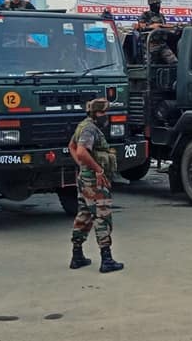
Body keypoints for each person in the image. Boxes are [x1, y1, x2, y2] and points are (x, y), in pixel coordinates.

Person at [68, 98, 124, 273]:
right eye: (103, 113)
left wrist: (82, 166)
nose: (106, 116)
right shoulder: (90, 129)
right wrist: (98, 170)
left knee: (84, 214)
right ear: (96, 113)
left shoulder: (82, 126)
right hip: (94, 180)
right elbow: (81, 150)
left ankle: (77, 256)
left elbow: (71, 146)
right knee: (102, 216)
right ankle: (106, 259)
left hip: (85, 178)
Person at [134, 0, 176, 64]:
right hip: (150, 45)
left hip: (162, 44)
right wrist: (151, 26)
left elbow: (163, 26)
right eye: (155, 4)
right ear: (151, 5)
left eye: (158, 4)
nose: (158, 6)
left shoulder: (161, 16)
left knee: (174, 62)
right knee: (149, 65)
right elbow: (138, 26)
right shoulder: (145, 15)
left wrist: (169, 27)